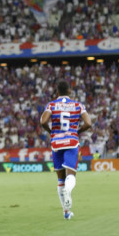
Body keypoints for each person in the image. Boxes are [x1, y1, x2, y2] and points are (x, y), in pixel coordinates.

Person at [40, 80, 92, 219]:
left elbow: (43, 121)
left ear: (57, 92)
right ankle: (68, 191)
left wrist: (51, 131)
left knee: (60, 179)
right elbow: (88, 123)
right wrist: (78, 131)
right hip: (71, 141)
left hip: (56, 143)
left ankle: (66, 212)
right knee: (71, 175)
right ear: (69, 91)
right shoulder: (77, 105)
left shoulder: (51, 105)